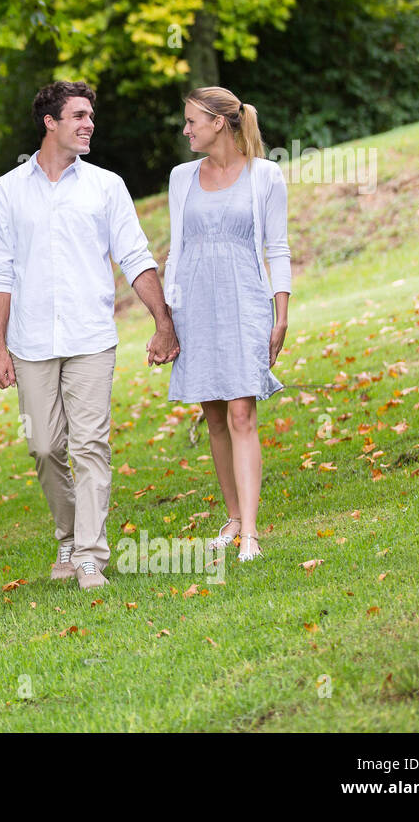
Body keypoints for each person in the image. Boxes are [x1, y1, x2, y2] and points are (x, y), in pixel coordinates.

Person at [0, 81, 178, 591]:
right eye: (78, 115)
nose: (89, 123)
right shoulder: (7, 190)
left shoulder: (106, 186)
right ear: (49, 122)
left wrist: (163, 320)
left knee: (90, 444)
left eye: (91, 115)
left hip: (91, 336)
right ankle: (68, 534)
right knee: (45, 447)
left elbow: (135, 255)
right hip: (29, 343)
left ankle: (90, 555)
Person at [163, 86, 291, 562]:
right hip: (194, 306)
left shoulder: (265, 176)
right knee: (214, 414)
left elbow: (277, 248)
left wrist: (282, 314)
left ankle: (252, 534)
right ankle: (233, 518)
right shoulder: (181, 178)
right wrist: (167, 320)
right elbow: (175, 250)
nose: (186, 129)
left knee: (242, 411)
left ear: (219, 122)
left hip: (245, 302)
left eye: (192, 120)